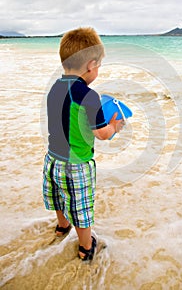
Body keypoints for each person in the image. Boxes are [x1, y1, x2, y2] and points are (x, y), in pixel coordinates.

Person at [43, 27, 124, 261]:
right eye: (98, 66)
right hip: (76, 163)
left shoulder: (55, 88)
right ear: (91, 64)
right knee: (81, 206)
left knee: (58, 195)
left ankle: (61, 227)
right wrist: (115, 126)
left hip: (52, 159)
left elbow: (66, 118)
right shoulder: (89, 96)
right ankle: (86, 247)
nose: (97, 70)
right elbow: (101, 134)